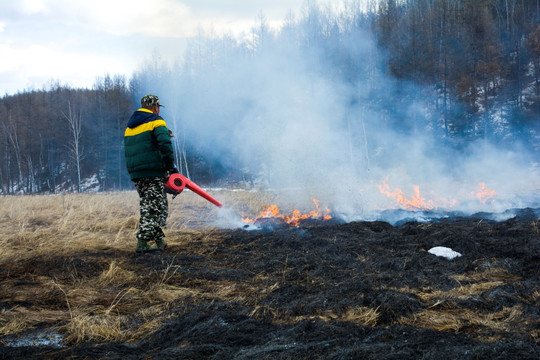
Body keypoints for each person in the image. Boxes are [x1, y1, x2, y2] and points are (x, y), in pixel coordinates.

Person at [124, 94, 177, 254]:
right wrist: (171, 168)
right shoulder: (156, 121)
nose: (158, 110)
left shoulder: (130, 126)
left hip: (137, 173)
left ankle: (160, 241)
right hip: (153, 171)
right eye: (158, 107)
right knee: (154, 207)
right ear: (155, 107)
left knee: (154, 205)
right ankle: (142, 242)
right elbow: (165, 145)